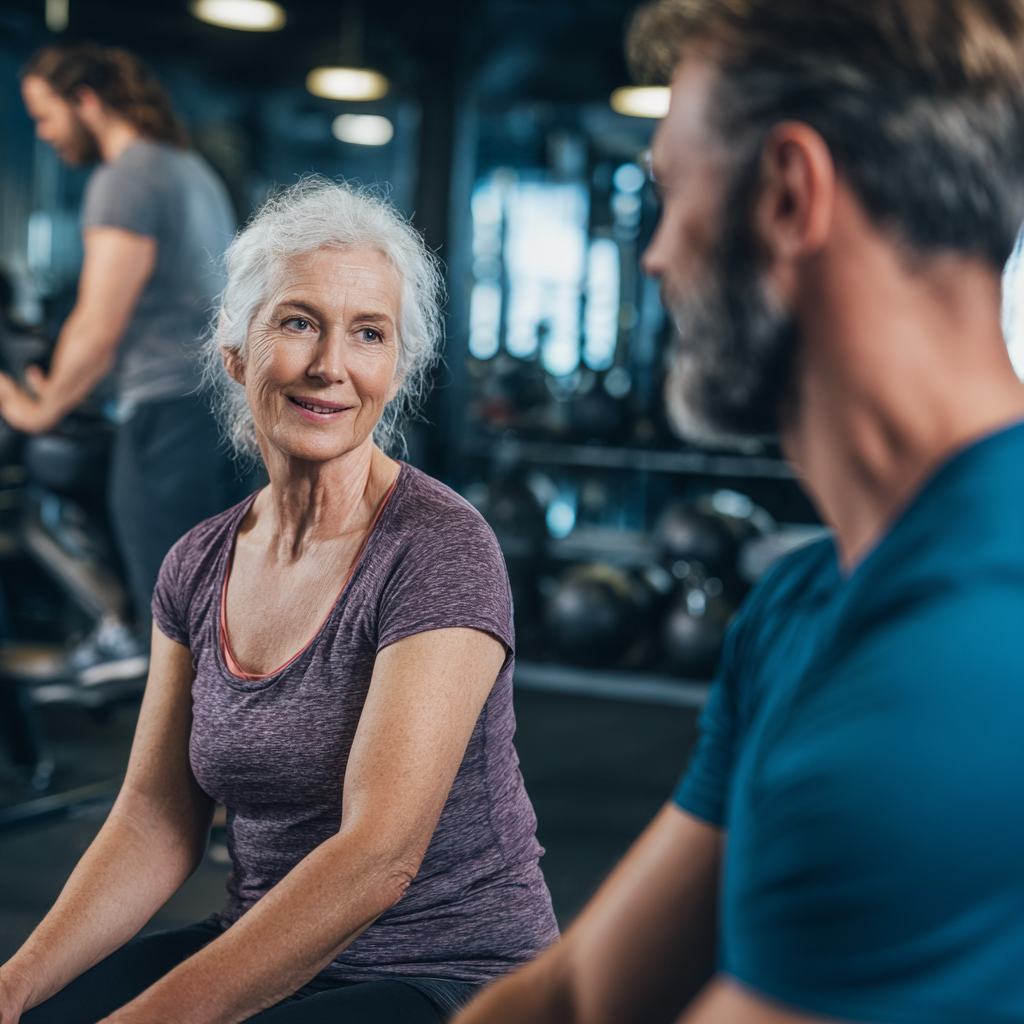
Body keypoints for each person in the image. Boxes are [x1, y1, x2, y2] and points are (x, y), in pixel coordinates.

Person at [454, 1, 1024, 1023]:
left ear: (788, 197)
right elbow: (582, 994)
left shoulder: (960, 670)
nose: (654, 255)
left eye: (671, 194)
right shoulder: (802, 603)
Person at [0, 179, 559, 1024]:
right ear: (235, 347)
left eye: (368, 334)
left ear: (395, 370)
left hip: (455, 974)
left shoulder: (439, 547)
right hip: (265, 941)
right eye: (299, 322)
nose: (331, 365)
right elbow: (156, 820)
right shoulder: (197, 563)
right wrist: (14, 985)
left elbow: (379, 858)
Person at [2, 44, 249, 681]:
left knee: (169, 633)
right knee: (199, 614)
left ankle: (171, 776)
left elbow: (99, 319)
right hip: (211, 407)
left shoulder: (128, 177)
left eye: (45, 114)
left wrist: (40, 407)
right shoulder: (186, 168)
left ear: (86, 100)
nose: (43, 132)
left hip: (168, 411)